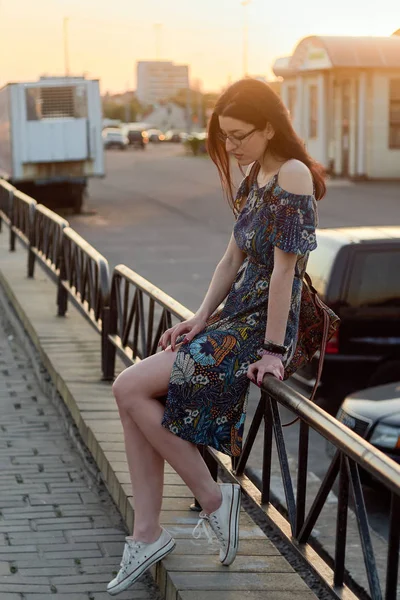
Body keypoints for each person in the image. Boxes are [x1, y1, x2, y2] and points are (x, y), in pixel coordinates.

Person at [107, 78, 325, 596]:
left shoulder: (292, 175)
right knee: (133, 397)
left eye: (240, 135)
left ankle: (211, 499)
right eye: (224, 136)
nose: (231, 146)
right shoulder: (256, 174)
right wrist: (200, 316)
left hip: (259, 328)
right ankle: (148, 532)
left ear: (270, 126)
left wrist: (273, 352)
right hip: (233, 318)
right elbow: (232, 258)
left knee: (128, 388)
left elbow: (283, 274)